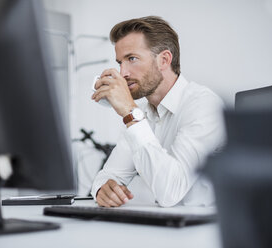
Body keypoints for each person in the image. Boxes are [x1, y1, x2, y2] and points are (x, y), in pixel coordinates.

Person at [91, 16, 225, 207]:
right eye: (120, 62)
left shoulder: (204, 105)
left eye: (132, 59)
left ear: (164, 60)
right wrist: (102, 190)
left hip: (201, 231)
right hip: (162, 227)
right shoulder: (142, 112)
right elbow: (109, 175)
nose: (123, 73)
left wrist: (129, 112)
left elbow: (171, 193)